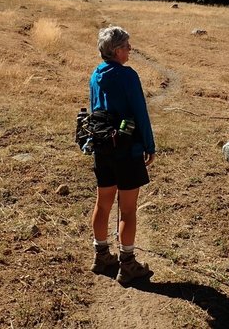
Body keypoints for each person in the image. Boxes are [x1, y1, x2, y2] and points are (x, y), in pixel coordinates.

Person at [89, 26, 156, 285]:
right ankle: (127, 265)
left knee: (103, 202)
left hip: (103, 148)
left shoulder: (95, 75)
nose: (130, 49)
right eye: (127, 46)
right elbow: (140, 112)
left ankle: (101, 255)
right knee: (127, 209)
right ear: (117, 51)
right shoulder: (128, 76)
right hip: (127, 150)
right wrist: (149, 146)